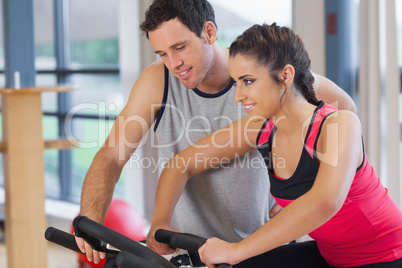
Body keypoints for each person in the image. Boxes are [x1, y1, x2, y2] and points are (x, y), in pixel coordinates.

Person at [75, 0, 356, 264]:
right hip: (193, 251)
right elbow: (112, 156)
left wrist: (300, 187)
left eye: (180, 47)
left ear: (209, 32)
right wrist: (90, 218)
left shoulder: (257, 72)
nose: (173, 64)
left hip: (263, 249)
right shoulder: (156, 81)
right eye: (162, 53)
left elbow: (342, 107)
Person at [149, 23, 402, 267]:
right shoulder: (261, 127)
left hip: (385, 255)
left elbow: (324, 202)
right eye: (236, 82)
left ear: (286, 75)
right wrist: (160, 221)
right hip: (331, 255)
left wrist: (236, 250)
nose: (238, 96)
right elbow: (182, 162)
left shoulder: (339, 124)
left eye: (248, 81)